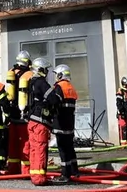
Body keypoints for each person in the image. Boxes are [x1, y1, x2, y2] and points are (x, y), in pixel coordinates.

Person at [22, 57, 54, 186]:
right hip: (40, 121)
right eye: (46, 69)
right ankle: (40, 178)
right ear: (41, 69)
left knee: (34, 149)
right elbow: (53, 98)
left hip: (31, 121)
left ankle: (35, 175)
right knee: (40, 149)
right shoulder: (41, 82)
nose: (46, 72)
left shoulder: (30, 82)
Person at [50, 64, 79, 183]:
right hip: (70, 122)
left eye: (57, 74)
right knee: (70, 147)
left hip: (60, 122)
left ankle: (65, 174)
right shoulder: (71, 87)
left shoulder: (59, 87)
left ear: (61, 74)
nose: (56, 77)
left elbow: (54, 102)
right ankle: (75, 171)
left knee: (62, 149)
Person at [5, 50, 32, 175]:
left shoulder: (11, 72)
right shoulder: (29, 75)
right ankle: (26, 171)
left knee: (13, 144)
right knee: (25, 144)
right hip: (24, 115)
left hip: (12, 115)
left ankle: (12, 169)